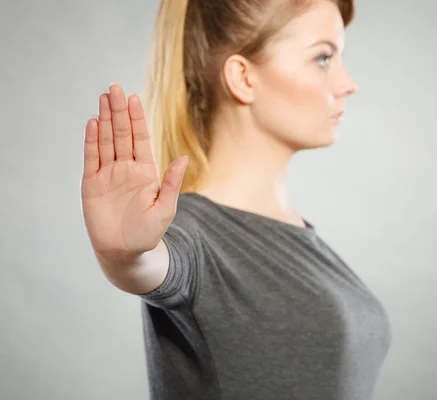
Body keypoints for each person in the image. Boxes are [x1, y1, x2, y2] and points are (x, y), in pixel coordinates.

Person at [80, 0, 392, 398]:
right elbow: (153, 265)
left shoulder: (295, 235)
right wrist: (123, 256)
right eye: (324, 57)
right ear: (243, 78)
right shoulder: (191, 233)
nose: (349, 83)